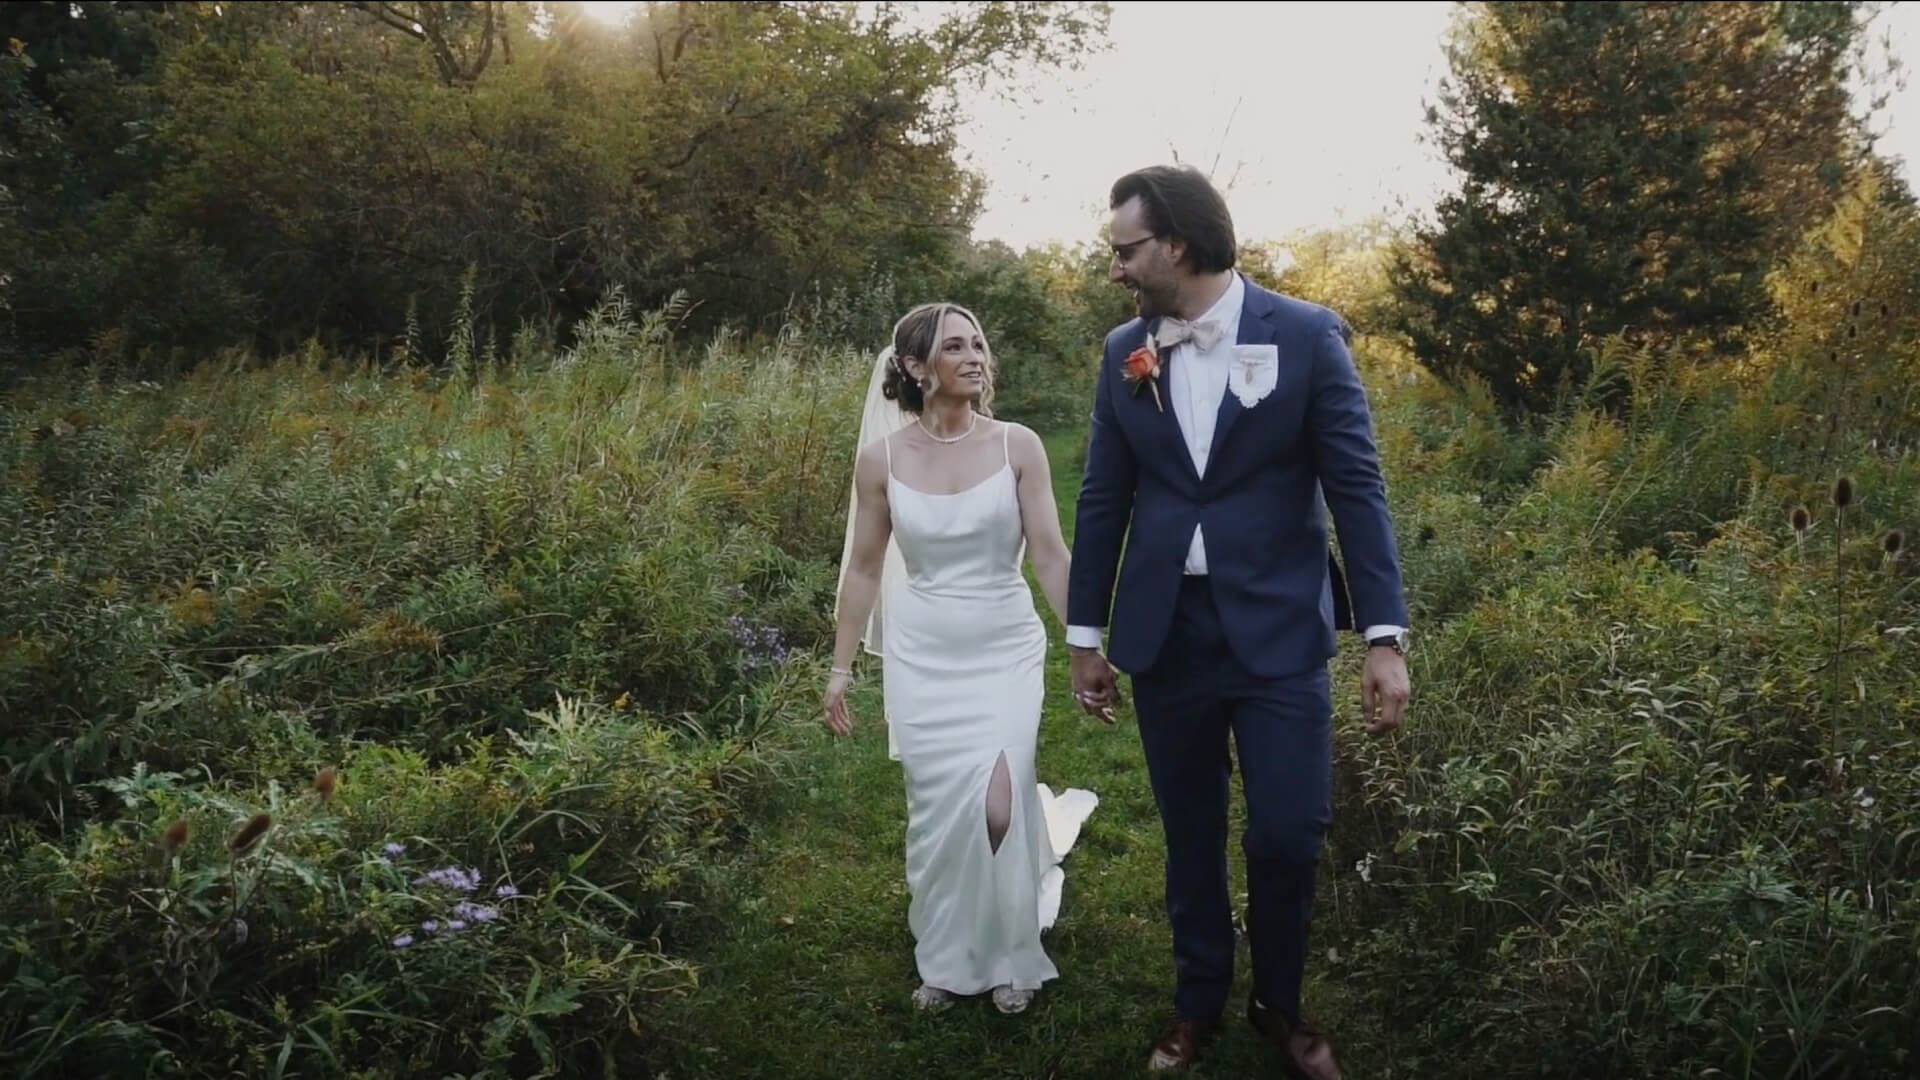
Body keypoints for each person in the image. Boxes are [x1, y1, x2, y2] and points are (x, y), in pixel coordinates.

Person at [1065, 165, 1412, 1077]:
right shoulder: (1122, 353)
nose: (1117, 270)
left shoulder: (1304, 336)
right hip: (1167, 633)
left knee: (1288, 831)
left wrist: (1383, 636)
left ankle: (1282, 1007)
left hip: (1279, 635)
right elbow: (1103, 498)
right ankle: (1197, 1003)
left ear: (1175, 244)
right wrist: (1085, 638)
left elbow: (1357, 490)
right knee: (1188, 830)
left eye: (1126, 251)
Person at [827, 301, 1099, 1015]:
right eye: (956, 346)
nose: (977, 356)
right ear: (916, 367)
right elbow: (862, 568)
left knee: (1001, 801)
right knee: (940, 810)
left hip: (1004, 642)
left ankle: (1012, 952)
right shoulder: (881, 460)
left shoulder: (1019, 445)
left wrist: (1085, 642)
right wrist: (840, 668)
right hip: (923, 652)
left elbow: (1049, 552)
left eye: (980, 343)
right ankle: (946, 957)